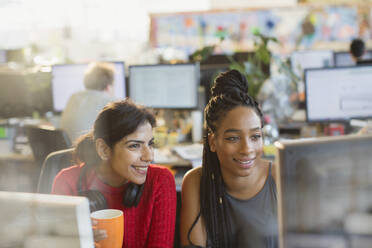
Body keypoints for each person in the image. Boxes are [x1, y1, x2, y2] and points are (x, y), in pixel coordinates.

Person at [53, 99, 177, 248]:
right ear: (104, 150)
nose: (149, 156)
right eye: (135, 146)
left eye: (150, 144)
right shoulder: (67, 182)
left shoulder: (160, 181)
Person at [180, 70, 278, 248]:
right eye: (233, 138)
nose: (247, 149)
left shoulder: (280, 178)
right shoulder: (196, 182)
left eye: (255, 136)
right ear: (213, 142)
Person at [60, 62, 116, 142]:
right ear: (108, 86)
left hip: (70, 151)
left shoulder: (73, 97)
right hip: (91, 152)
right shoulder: (110, 102)